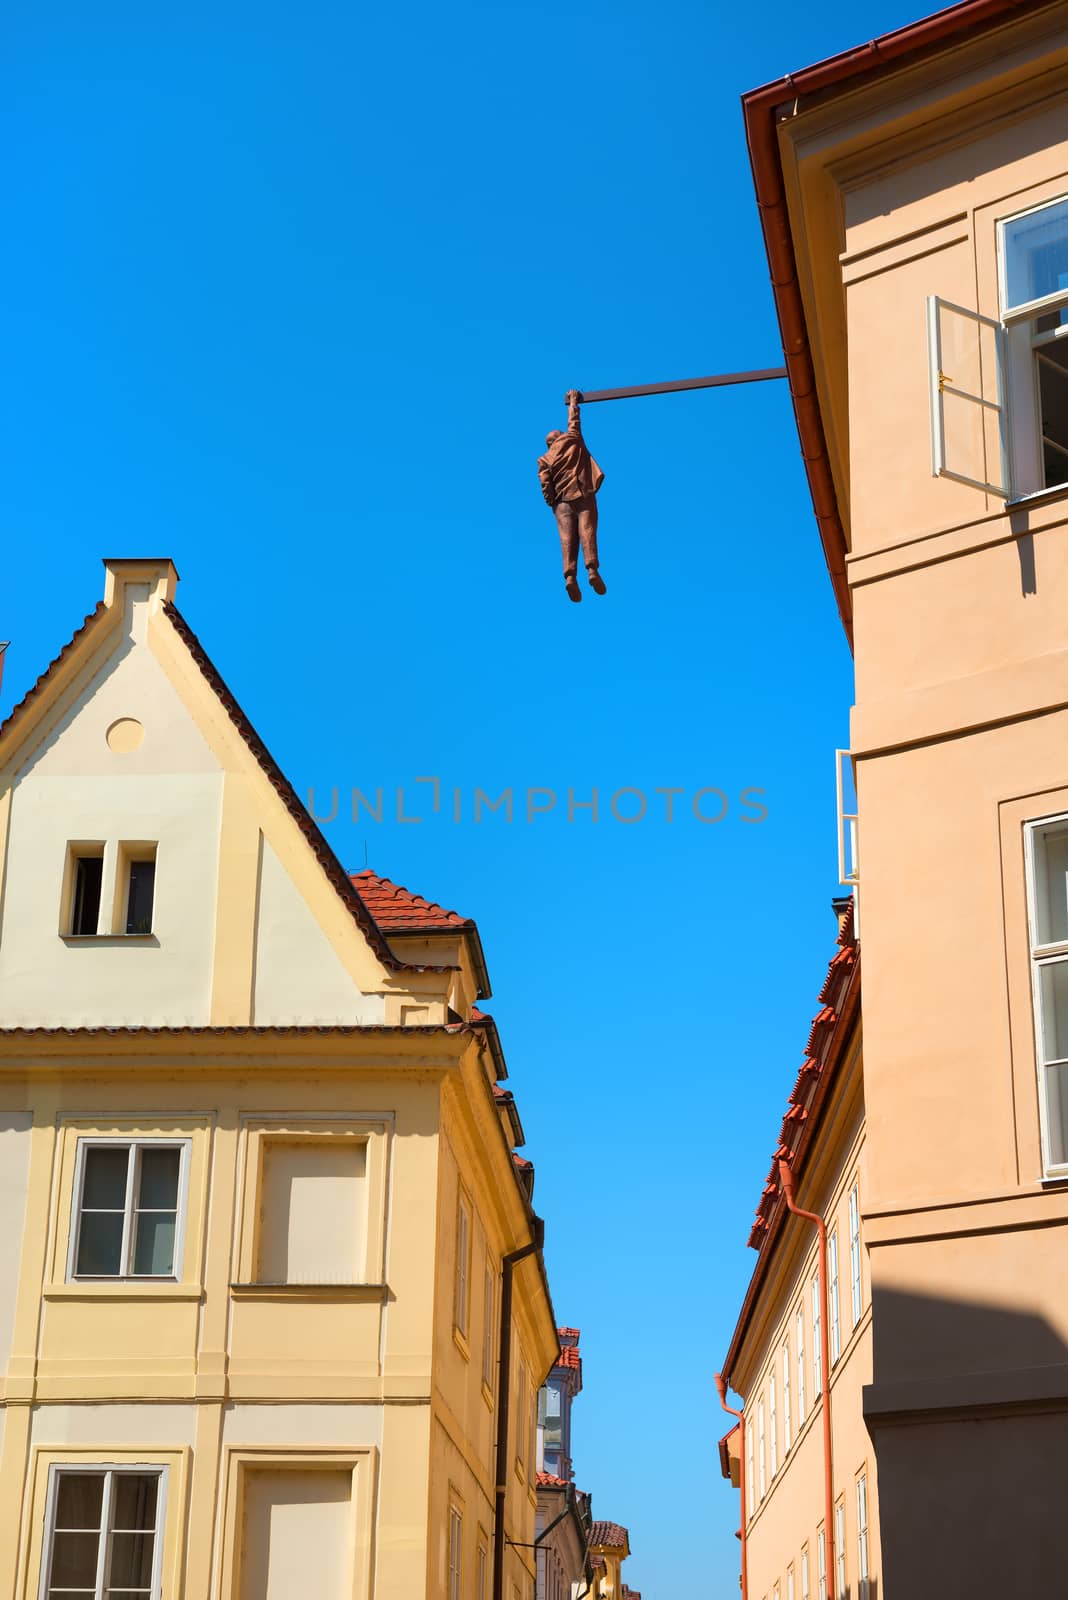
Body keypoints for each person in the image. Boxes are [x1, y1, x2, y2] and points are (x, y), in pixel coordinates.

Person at [537, 389, 607, 602]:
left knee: (567, 539)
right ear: (559, 437)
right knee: (587, 531)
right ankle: (592, 570)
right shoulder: (572, 440)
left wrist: (553, 502)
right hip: (582, 493)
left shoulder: (544, 459)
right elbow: (574, 422)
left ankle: (570, 576)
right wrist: (573, 402)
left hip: (562, 503)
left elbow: (544, 484)